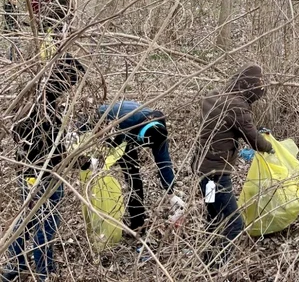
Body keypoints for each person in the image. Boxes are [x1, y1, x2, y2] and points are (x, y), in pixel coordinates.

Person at [2, 55, 86, 282]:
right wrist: (81, 162)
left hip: (25, 174)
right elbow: (55, 151)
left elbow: (20, 135)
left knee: (26, 219)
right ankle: (43, 272)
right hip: (45, 177)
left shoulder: (30, 99)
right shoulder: (46, 109)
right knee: (46, 224)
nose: (71, 87)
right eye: (71, 81)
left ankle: (15, 266)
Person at [195, 64, 274, 264]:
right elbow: (254, 140)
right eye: (258, 86)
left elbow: (233, 128)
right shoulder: (237, 107)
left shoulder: (214, 97)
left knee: (214, 216)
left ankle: (208, 261)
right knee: (234, 224)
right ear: (249, 87)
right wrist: (270, 147)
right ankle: (219, 268)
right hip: (217, 175)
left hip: (202, 172)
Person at [97, 100, 178, 233]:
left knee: (134, 177)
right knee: (128, 173)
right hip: (110, 125)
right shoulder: (122, 122)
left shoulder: (159, 131)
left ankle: (137, 224)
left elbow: (164, 162)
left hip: (132, 130)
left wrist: (170, 192)